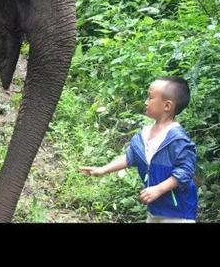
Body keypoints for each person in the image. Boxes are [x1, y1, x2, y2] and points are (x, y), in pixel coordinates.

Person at [80, 77, 198, 222]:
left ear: (167, 106)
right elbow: (131, 157)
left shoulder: (178, 140)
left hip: (178, 212)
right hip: (155, 208)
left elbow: (185, 171)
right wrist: (103, 169)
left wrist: (159, 189)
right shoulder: (144, 133)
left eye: (150, 97)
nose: (146, 102)